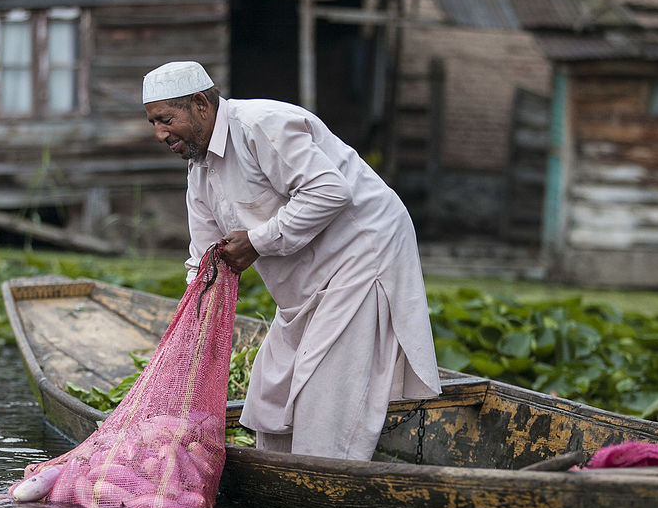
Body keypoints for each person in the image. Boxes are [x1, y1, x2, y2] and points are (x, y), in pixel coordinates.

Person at [142, 60, 441, 460]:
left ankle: (328, 478)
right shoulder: (200, 172)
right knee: (271, 389)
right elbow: (204, 258)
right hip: (306, 282)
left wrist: (257, 242)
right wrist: (188, 330)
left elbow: (330, 191)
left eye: (166, 119)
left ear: (199, 104)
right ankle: (284, 476)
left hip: (362, 257)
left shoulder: (261, 125)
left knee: (324, 394)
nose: (161, 134)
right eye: (153, 124)